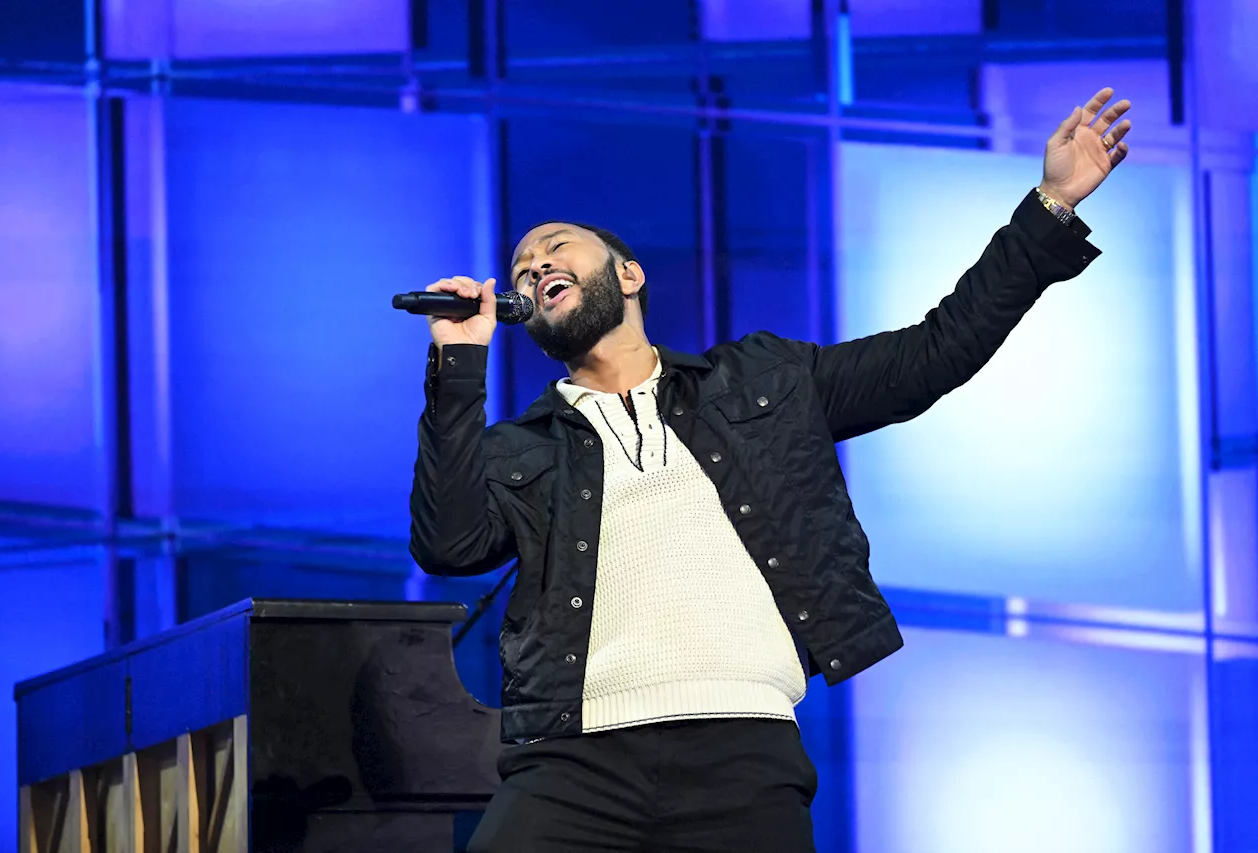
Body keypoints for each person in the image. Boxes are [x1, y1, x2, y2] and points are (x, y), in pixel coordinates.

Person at [409, 88, 1132, 852]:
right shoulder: (524, 447)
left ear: (627, 275)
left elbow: (933, 352)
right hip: (570, 760)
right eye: (522, 269)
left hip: (743, 754)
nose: (534, 265)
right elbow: (449, 545)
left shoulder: (762, 381)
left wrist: (1051, 203)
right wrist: (458, 361)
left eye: (555, 245)